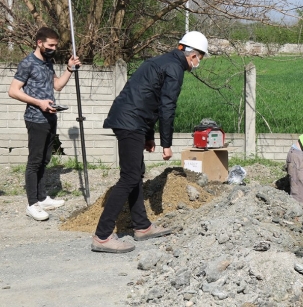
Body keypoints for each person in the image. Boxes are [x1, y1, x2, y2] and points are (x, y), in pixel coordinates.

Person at [91, 31, 208, 253]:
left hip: (131, 120)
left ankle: (142, 226)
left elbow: (147, 98)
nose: (198, 62)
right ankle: (102, 236)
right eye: (200, 57)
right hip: (130, 121)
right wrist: (166, 143)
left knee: (136, 172)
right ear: (193, 55)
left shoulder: (161, 61)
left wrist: (148, 136)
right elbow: (166, 107)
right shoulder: (175, 68)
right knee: (129, 176)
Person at [8, 27, 80, 221]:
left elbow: (56, 85)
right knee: (34, 161)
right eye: (50, 45)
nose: (53, 48)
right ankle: (32, 204)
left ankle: (42, 197)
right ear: (39, 43)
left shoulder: (48, 62)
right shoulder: (27, 63)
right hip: (35, 118)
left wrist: (69, 69)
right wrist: (39, 102)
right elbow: (13, 91)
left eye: (55, 45)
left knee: (45, 159)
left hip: (50, 117)